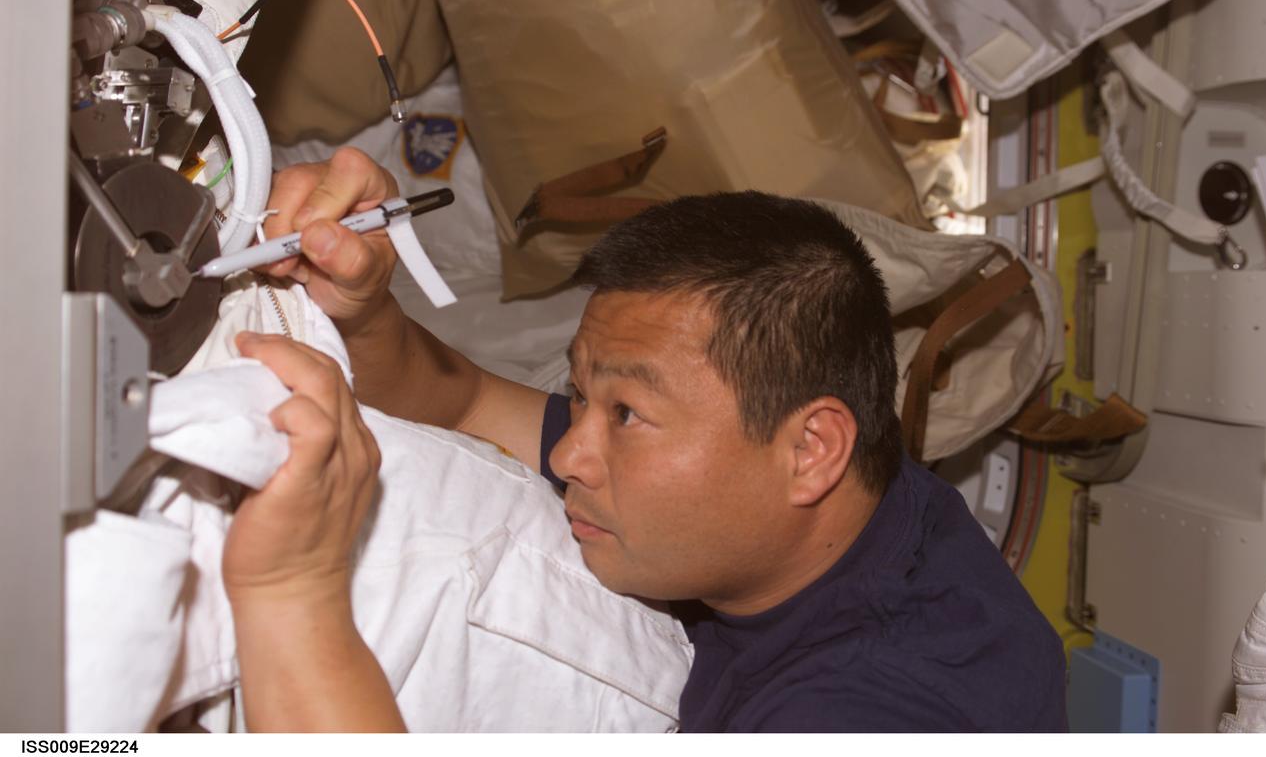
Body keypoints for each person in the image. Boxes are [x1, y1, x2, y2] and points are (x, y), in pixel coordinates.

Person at [225, 147, 1068, 732]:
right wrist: (358, 302)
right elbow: (467, 398)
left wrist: (291, 595)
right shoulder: (835, 503)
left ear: (812, 449)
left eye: (625, 413)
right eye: (579, 394)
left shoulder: (867, 709)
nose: (568, 454)